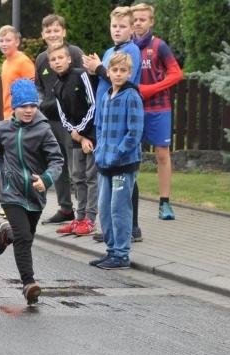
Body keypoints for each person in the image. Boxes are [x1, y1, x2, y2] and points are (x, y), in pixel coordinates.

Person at [0, 79, 64, 305]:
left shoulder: (43, 130)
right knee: (24, 237)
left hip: (35, 194)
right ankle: (28, 284)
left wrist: (46, 180)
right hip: (10, 192)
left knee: (24, 237)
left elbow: (57, 160)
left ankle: (6, 234)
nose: (29, 110)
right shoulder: (3, 128)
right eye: (23, 106)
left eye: (32, 105)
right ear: (14, 107)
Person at [83, 6, 144, 244]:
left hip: (121, 122)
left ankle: (131, 228)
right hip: (104, 117)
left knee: (125, 178)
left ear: (131, 29)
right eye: (114, 26)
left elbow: (121, 79)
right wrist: (93, 70)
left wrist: (99, 68)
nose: (117, 30)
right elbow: (104, 79)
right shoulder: (110, 51)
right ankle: (110, 230)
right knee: (107, 183)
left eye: (122, 26)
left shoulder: (132, 50)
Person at [88, 52, 143, 270]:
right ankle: (111, 250)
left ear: (130, 73)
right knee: (104, 208)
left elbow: (134, 132)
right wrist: (100, 151)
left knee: (119, 209)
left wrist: (117, 153)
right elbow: (100, 127)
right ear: (108, 72)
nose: (118, 74)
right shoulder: (105, 96)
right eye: (114, 70)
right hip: (104, 163)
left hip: (123, 164)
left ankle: (122, 254)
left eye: (123, 71)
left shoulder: (132, 96)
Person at [132, 3, 183, 221]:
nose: (137, 23)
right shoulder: (126, 46)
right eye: (135, 19)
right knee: (131, 154)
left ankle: (164, 203)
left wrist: (151, 89)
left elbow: (177, 74)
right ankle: (128, 200)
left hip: (159, 107)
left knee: (162, 154)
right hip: (133, 107)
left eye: (142, 19)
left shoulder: (159, 45)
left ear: (151, 21)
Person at [34, 14, 84, 225]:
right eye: (48, 31)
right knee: (57, 164)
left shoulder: (74, 53)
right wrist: (40, 104)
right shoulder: (41, 59)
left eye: (56, 30)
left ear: (64, 32)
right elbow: (39, 86)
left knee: (78, 167)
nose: (53, 34)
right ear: (43, 35)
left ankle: (84, 213)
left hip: (73, 122)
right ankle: (65, 209)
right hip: (51, 120)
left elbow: (85, 83)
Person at [46, 43, 99, 237]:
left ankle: (90, 219)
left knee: (91, 177)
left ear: (69, 59)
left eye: (61, 58)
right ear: (50, 64)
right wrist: (75, 133)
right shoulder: (57, 87)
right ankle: (80, 217)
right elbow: (63, 116)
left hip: (91, 135)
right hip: (77, 136)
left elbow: (93, 105)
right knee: (77, 177)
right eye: (53, 59)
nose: (57, 62)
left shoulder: (81, 75)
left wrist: (83, 133)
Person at [0, 25, 35, 120]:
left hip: (19, 117)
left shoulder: (24, 62)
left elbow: (33, 92)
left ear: (17, 42)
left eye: (8, 40)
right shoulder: (5, 63)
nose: (4, 44)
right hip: (8, 115)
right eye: (1, 41)